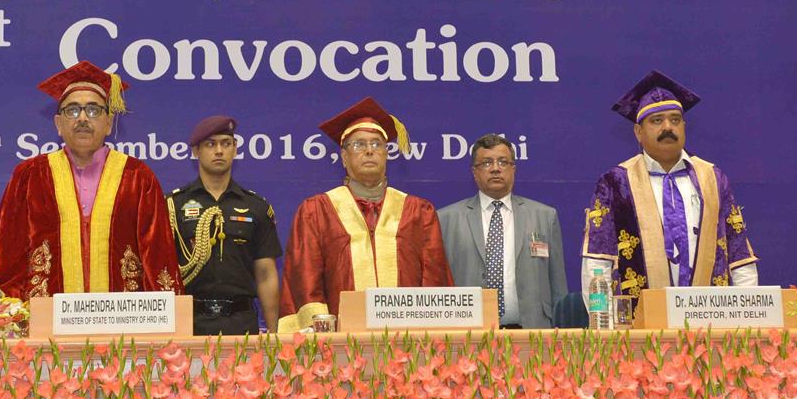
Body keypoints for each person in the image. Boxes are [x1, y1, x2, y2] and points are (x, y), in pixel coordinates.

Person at [0, 61, 180, 299]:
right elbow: (6, 257)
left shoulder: (137, 178)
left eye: (94, 110)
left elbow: (158, 261)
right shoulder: (30, 176)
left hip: (122, 324)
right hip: (45, 323)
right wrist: (3, 315)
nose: (83, 118)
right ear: (58, 124)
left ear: (108, 124)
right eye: (72, 110)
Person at [580, 71, 758, 312]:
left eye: (675, 120)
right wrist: (605, 325)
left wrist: (746, 318)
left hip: (710, 326)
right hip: (638, 331)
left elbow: (739, 256)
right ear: (638, 132)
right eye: (656, 120)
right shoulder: (616, 181)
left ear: (684, 126)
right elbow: (597, 261)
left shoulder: (713, 178)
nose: (668, 127)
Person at [278, 97, 453, 331]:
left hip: (408, 341)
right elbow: (306, 281)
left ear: (386, 154)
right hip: (340, 344)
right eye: (359, 145)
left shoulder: (418, 212)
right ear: (344, 158)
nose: (369, 151)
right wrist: (323, 340)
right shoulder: (316, 211)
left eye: (377, 144)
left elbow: (434, 282)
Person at [438, 133, 567, 329]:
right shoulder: (446, 219)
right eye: (487, 163)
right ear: (474, 172)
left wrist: (562, 330)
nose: (496, 169)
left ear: (513, 169)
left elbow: (558, 284)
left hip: (533, 332)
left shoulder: (544, 216)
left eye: (503, 162)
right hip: (467, 334)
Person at [168, 115, 281, 335]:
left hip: (241, 323)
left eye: (225, 144)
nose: (219, 151)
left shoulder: (256, 207)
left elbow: (266, 274)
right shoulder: (173, 206)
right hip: (189, 324)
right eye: (210, 144)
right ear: (195, 151)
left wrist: (274, 334)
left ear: (235, 149)